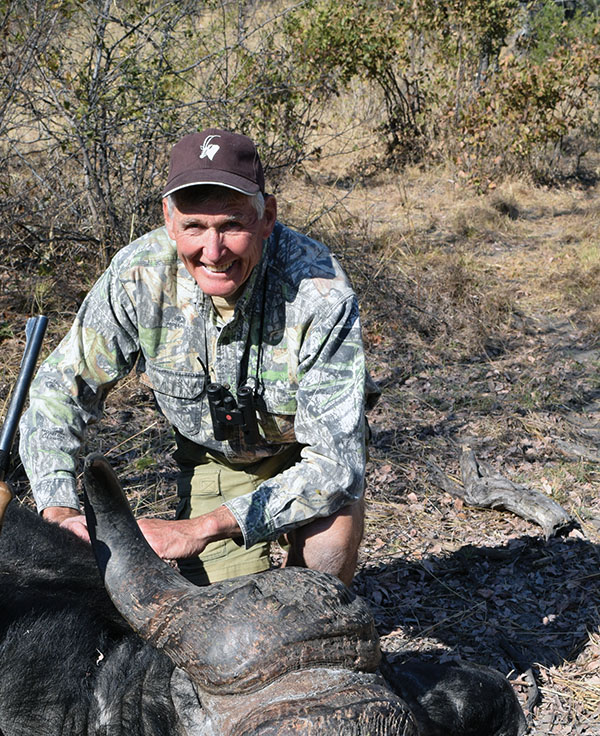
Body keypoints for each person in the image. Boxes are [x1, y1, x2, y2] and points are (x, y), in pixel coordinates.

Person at [19, 128, 372, 586]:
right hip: (215, 462)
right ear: (169, 220)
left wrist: (201, 528)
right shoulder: (138, 275)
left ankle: (316, 631)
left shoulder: (320, 292)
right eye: (194, 226)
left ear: (267, 218)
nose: (213, 251)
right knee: (215, 611)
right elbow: (57, 393)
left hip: (300, 455)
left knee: (330, 541)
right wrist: (60, 511)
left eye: (231, 225)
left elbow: (335, 465)